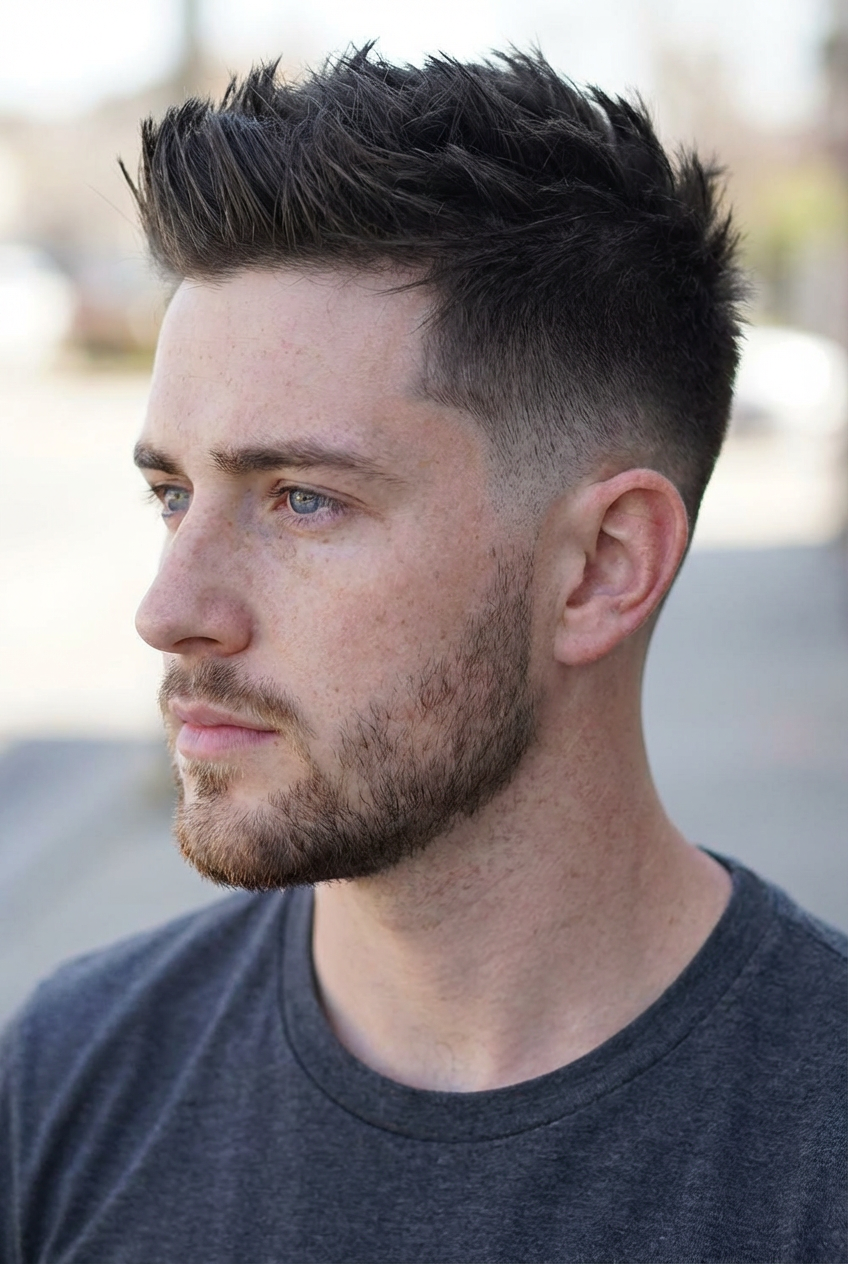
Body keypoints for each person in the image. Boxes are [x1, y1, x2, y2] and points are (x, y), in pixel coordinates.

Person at [1, 46, 845, 1264]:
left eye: (301, 500)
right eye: (173, 493)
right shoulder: (75, 1078)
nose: (170, 607)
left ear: (605, 565)